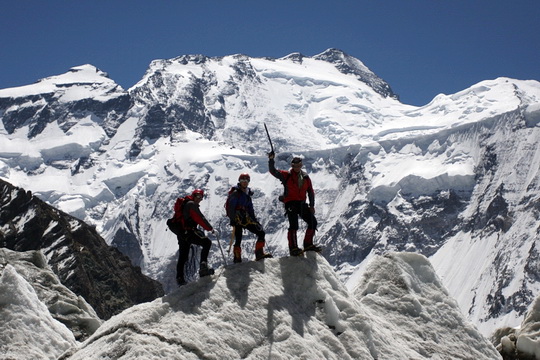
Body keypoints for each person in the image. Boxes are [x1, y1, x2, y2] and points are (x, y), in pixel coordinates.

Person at [268, 153, 321, 256]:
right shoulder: (286, 175)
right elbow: (273, 171)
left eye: (298, 166)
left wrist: (312, 205)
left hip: (301, 204)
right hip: (291, 203)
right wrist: (271, 160)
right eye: (294, 166)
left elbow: (310, 191)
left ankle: (308, 245)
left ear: (301, 166)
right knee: (294, 225)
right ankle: (293, 248)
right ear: (292, 166)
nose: (296, 167)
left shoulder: (305, 177)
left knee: (312, 222)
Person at [226, 173, 272, 263]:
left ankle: (259, 254)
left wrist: (256, 222)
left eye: (246, 181)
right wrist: (233, 219)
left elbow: (250, 210)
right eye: (243, 181)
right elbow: (231, 207)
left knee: (261, 232)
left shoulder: (247, 195)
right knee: (238, 238)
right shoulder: (236, 193)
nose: (244, 182)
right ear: (239, 181)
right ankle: (237, 258)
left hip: (245, 218)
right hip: (237, 218)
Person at [176, 189, 215, 285]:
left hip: (182, 233)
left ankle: (180, 278)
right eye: (198, 196)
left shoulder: (185, 204)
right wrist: (210, 229)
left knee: (183, 255)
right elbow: (200, 218)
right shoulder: (191, 205)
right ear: (193, 195)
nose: (199, 199)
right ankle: (203, 267)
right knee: (207, 243)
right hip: (189, 232)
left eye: (201, 197)